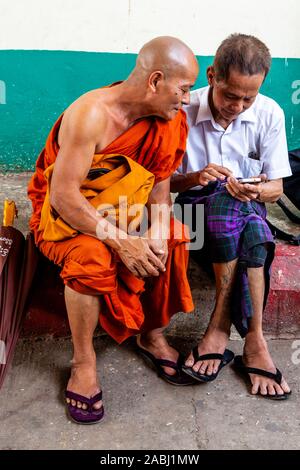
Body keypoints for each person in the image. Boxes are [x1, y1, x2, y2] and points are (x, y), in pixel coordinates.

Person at [28, 36, 199, 424]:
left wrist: (154, 230)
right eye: (183, 89)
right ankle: (83, 361)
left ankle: (151, 333)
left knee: (173, 236)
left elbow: (158, 190)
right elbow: (64, 197)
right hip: (67, 214)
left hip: (126, 208)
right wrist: (122, 241)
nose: (187, 100)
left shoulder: (168, 122)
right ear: (155, 80)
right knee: (93, 254)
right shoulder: (91, 114)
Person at [171, 34, 292, 399]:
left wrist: (257, 190)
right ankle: (245, 339)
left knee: (250, 223)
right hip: (190, 218)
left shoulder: (269, 113)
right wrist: (197, 176)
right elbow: (163, 183)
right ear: (211, 76)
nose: (238, 106)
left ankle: (239, 335)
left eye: (248, 98)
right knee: (235, 208)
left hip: (242, 214)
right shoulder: (181, 109)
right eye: (230, 95)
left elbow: (277, 188)